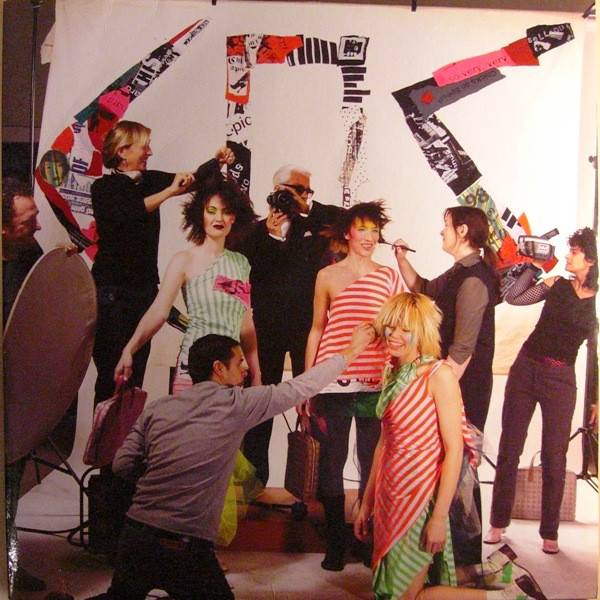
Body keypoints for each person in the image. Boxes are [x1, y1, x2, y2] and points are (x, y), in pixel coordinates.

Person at [88, 324, 375, 600]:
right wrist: (351, 351)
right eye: (239, 362)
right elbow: (300, 387)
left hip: (136, 535)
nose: (245, 367)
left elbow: (122, 464)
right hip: (186, 546)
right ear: (218, 368)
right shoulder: (237, 404)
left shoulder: (157, 408)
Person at [354, 292, 544, 600]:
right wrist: (367, 502)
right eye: (390, 326)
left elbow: (455, 450)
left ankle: (509, 596)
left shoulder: (439, 375)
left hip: (419, 498)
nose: (394, 335)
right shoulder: (392, 372)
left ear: (422, 332)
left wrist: (439, 517)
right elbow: (383, 444)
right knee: (390, 588)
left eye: (405, 328)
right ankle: (497, 576)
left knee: (408, 596)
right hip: (390, 495)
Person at [114, 172, 259, 547]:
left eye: (225, 212)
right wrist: (130, 348)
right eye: (211, 210)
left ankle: (202, 546)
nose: (218, 218)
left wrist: (256, 374)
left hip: (232, 376)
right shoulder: (185, 259)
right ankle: (174, 542)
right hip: (192, 372)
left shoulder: (241, 263)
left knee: (221, 462)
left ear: (234, 217)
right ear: (200, 214)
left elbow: (246, 325)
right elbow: (159, 311)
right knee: (186, 457)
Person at [91, 119, 232, 405]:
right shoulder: (103, 188)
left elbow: (190, 180)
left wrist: (216, 162)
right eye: (144, 147)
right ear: (122, 151)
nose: (150, 152)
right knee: (112, 372)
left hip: (143, 290)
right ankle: (104, 432)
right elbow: (129, 212)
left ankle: (127, 430)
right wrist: (169, 192)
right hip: (112, 293)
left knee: (134, 374)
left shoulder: (149, 180)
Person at [393, 206, 499, 566]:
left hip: (465, 388)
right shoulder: (459, 272)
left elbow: (462, 349)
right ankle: (444, 557)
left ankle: (465, 560)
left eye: (446, 226)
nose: (442, 232)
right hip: (452, 383)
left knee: (462, 468)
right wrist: (401, 258)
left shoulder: (474, 280)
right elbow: (422, 289)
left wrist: (433, 392)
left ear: (463, 231)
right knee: (448, 466)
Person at [304, 201, 405, 571]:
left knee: (370, 461)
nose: (369, 237)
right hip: (333, 378)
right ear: (347, 232)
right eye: (362, 229)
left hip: (376, 380)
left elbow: (400, 327)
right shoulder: (327, 276)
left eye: (374, 230)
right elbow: (317, 329)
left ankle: (364, 538)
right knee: (331, 462)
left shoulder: (388, 275)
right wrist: (307, 382)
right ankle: (335, 542)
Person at [486, 227, 597, 554]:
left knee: (554, 455)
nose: (567, 255)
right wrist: (534, 268)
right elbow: (515, 298)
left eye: (574, 251)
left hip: (561, 379)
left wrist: (597, 399)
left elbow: (597, 354)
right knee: (510, 447)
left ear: (590, 260)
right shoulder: (557, 284)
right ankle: (497, 522)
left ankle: (550, 531)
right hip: (526, 368)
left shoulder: (596, 303)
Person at [240, 164, 343, 486]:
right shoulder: (255, 231)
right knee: (261, 403)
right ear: (276, 189)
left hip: (305, 328)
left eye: (307, 190)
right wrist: (271, 236)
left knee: (312, 402)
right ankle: (254, 483)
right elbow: (251, 272)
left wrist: (305, 207)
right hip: (266, 329)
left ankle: (314, 486)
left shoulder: (317, 225)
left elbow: (346, 219)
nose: (303, 195)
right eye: (296, 189)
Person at [2, 177, 47, 593]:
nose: (38, 225)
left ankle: (9, 566)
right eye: (28, 220)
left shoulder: (31, 255)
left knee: (10, 483)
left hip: (16, 394)